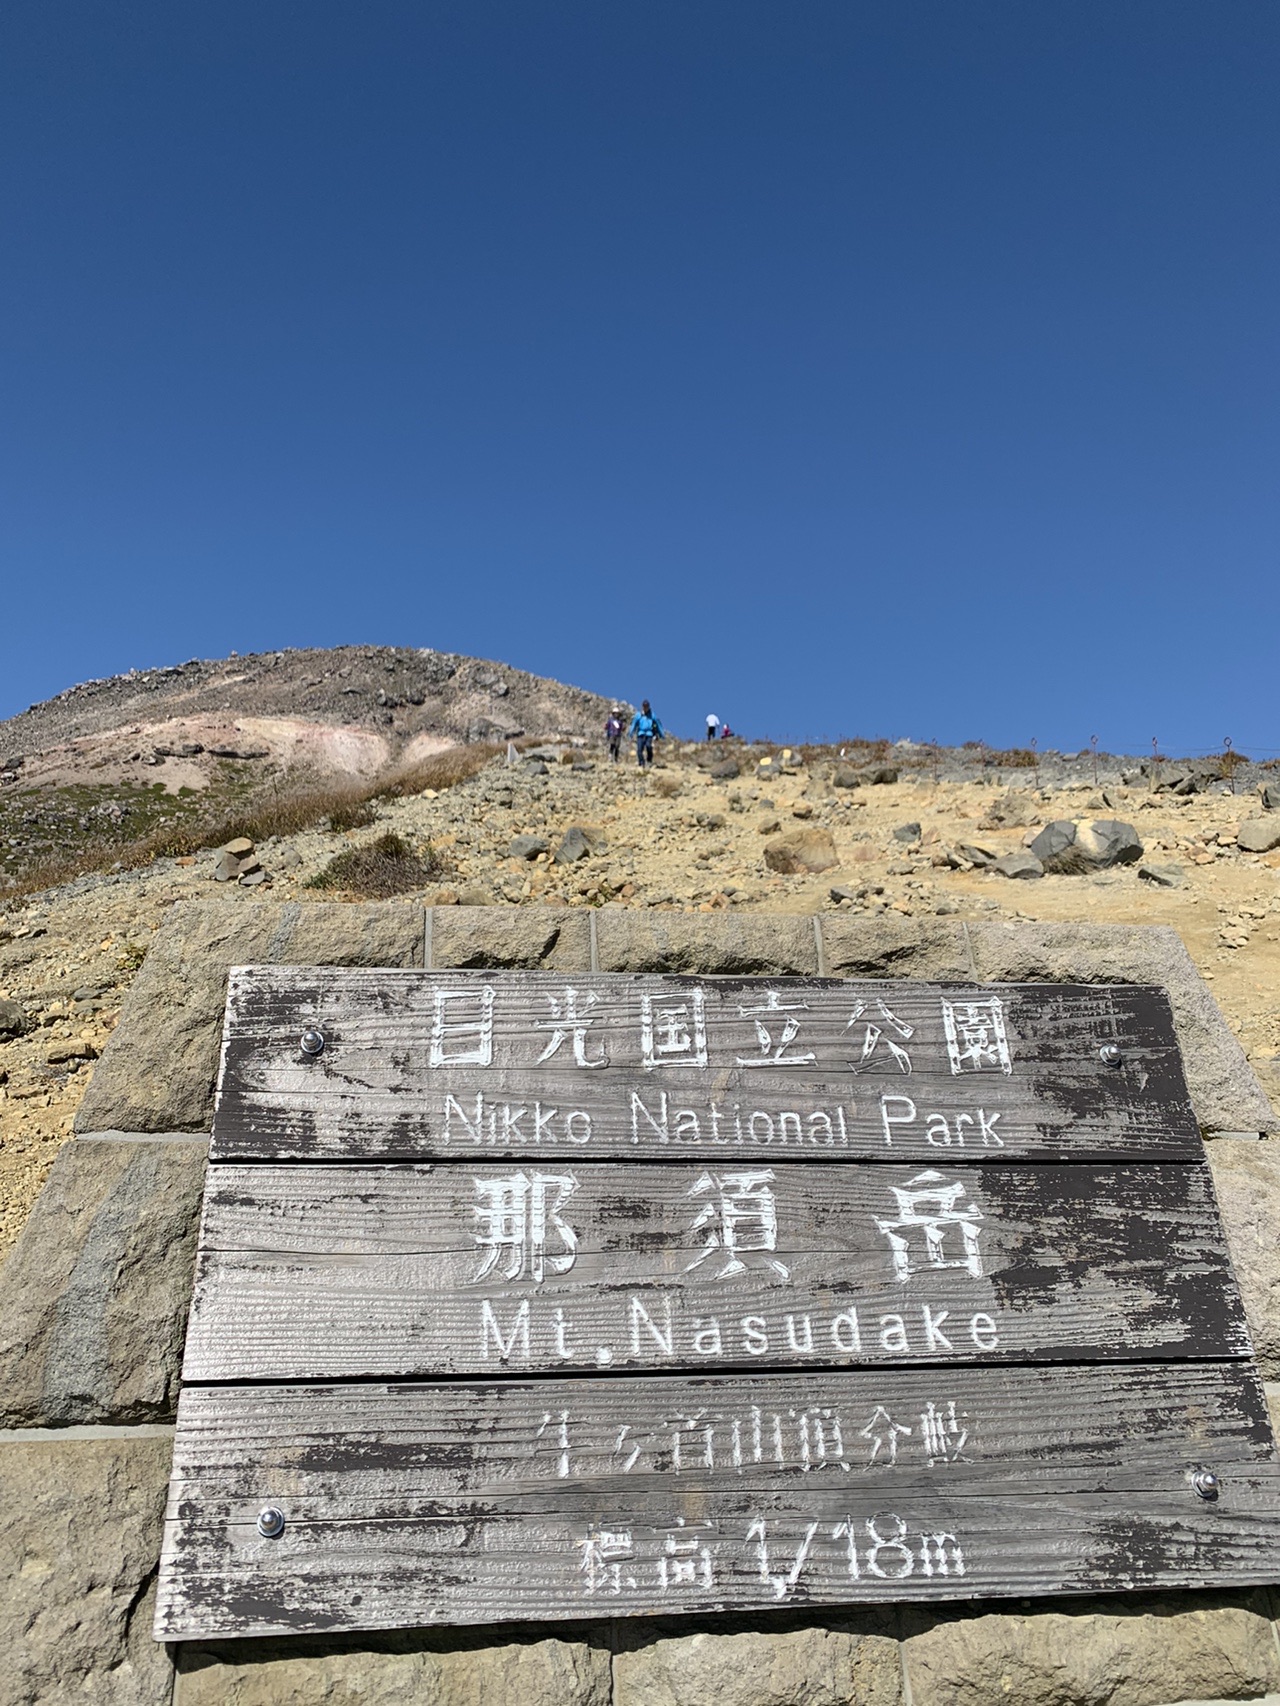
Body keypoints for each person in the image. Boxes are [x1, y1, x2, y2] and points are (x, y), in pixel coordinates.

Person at [629, 700, 664, 768]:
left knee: (648, 746)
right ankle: (641, 762)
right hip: (640, 734)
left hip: (649, 734)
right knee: (639, 750)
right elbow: (634, 724)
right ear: (642, 707)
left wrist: (661, 734)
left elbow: (658, 724)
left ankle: (649, 760)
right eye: (644, 706)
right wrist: (631, 733)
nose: (645, 708)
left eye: (647, 706)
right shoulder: (639, 715)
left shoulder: (652, 715)